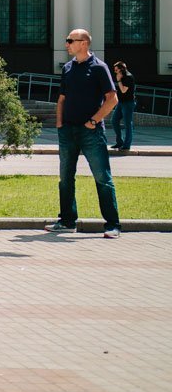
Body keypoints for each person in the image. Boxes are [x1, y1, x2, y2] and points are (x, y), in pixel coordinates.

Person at [46, 28, 121, 238]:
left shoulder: (99, 68)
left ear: (84, 43)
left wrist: (94, 121)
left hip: (91, 133)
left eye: (71, 40)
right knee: (65, 178)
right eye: (67, 40)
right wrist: (60, 124)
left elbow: (112, 99)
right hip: (67, 131)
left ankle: (113, 225)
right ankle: (67, 221)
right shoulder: (68, 68)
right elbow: (62, 98)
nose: (67, 44)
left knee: (102, 178)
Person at [111, 61, 136, 151]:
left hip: (128, 103)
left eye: (116, 70)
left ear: (121, 69)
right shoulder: (122, 77)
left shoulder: (128, 77)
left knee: (127, 124)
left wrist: (118, 80)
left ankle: (126, 145)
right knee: (114, 121)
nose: (115, 71)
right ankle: (119, 142)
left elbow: (123, 90)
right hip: (121, 103)